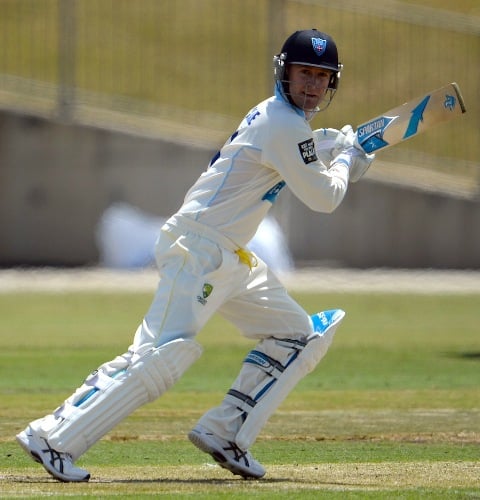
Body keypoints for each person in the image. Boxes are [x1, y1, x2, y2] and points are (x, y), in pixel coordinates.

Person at [16, 28, 374, 482]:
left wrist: (341, 151)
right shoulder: (282, 124)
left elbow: (306, 155)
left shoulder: (283, 122)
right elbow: (324, 197)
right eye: (305, 73)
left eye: (323, 77)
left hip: (230, 256)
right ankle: (51, 437)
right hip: (198, 248)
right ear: (284, 72)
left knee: (298, 336)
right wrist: (347, 158)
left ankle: (226, 431)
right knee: (160, 356)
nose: (313, 85)